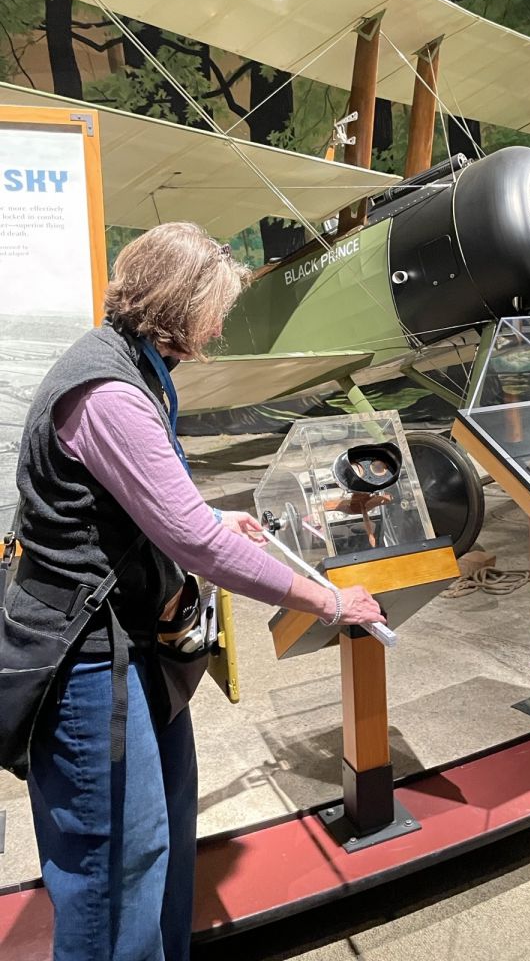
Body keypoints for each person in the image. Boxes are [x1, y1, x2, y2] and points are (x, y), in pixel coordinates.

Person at [6, 222, 385, 961]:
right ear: (183, 305)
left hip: (133, 640)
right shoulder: (107, 389)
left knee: (162, 840)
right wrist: (327, 601)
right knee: (114, 866)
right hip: (88, 658)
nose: (220, 324)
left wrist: (213, 513)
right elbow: (192, 543)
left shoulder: (136, 365)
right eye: (217, 307)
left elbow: (144, 504)